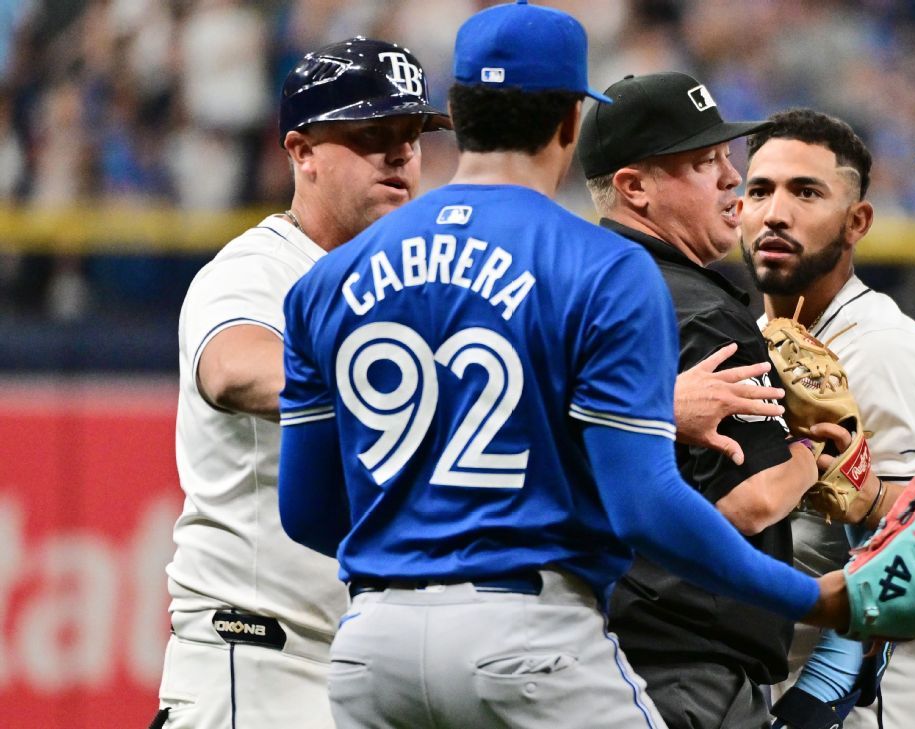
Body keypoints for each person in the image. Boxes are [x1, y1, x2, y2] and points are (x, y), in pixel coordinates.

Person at [275, 5, 851, 729]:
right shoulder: (603, 267)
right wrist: (811, 596)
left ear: (457, 111)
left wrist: (421, 546)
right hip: (528, 636)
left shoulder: (324, 283)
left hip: (372, 649)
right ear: (571, 123)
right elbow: (648, 508)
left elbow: (307, 512)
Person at [154, 38, 451, 729]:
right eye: (370, 134)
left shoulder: (417, 290)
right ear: (300, 151)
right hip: (257, 665)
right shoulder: (257, 268)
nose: (400, 155)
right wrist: (402, 388)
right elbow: (233, 368)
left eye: (410, 136)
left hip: (370, 675)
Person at [577, 72, 852, 729]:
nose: (732, 177)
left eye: (726, 156)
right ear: (633, 186)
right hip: (683, 663)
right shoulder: (697, 305)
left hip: (583, 646)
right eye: (703, 162)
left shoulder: (575, 283)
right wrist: (817, 444)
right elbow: (751, 499)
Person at [740, 108, 915, 729]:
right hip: (782, 684)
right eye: (759, 190)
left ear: (857, 221)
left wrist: (820, 699)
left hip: (870, 702)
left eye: (806, 192)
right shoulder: (751, 341)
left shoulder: (883, 348)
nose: (775, 212)